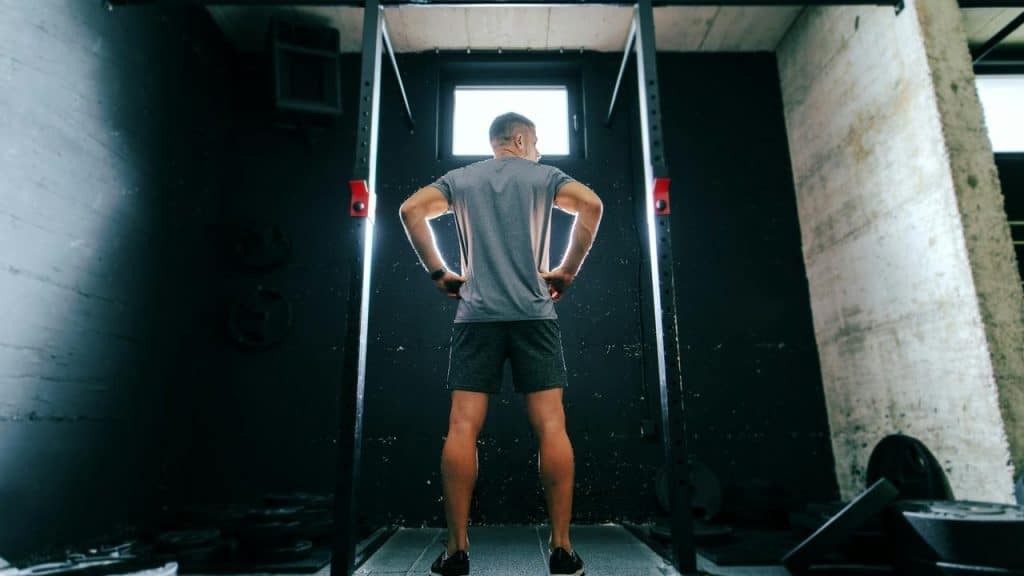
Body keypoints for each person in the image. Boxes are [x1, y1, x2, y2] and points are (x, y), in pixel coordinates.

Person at [399, 112, 602, 576]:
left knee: (462, 426)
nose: (539, 152)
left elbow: (410, 210)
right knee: (551, 425)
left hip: (476, 318)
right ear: (520, 139)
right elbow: (591, 205)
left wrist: (439, 273)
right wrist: (567, 270)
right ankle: (562, 550)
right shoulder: (546, 178)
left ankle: (456, 552)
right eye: (537, 143)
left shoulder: (460, 180)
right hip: (535, 316)